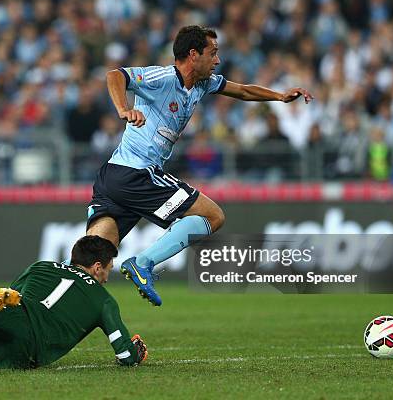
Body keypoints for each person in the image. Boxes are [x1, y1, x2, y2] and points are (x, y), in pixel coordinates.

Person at [86, 25, 313, 306]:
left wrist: (278, 96)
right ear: (193, 54)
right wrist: (123, 109)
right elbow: (115, 76)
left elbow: (242, 91)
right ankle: (143, 263)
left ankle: (42, 304)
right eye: (213, 53)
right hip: (138, 174)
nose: (217, 60)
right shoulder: (164, 77)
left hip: (113, 176)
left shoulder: (203, 84)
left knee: (93, 259)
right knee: (213, 216)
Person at [0, 236, 148, 373]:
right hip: (29, 350)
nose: (107, 276)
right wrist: (137, 350)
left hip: (12, 315)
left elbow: (12, 295)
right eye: (108, 269)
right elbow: (125, 354)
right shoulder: (104, 300)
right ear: (97, 267)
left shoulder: (42, 266)